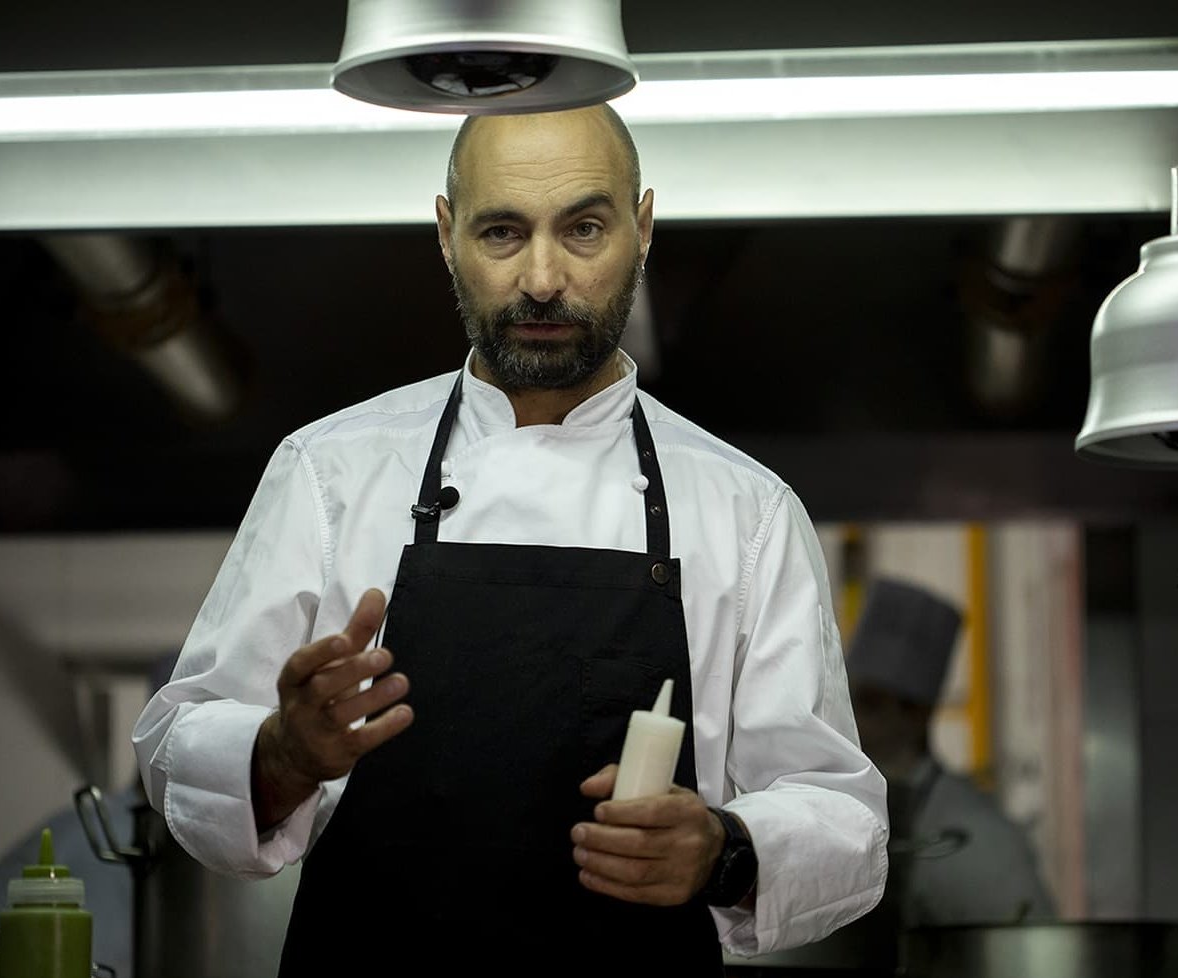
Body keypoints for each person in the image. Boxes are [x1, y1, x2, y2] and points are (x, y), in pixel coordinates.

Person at [131, 103, 888, 975]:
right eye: (501, 232)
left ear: (641, 228)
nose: (540, 277)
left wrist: (724, 848)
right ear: (446, 233)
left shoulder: (743, 509)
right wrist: (283, 753)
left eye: (585, 229)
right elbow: (173, 750)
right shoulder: (329, 473)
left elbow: (845, 822)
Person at [846, 576, 1056, 929]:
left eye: (867, 704)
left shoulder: (978, 836)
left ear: (916, 713)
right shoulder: (849, 805)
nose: (849, 721)